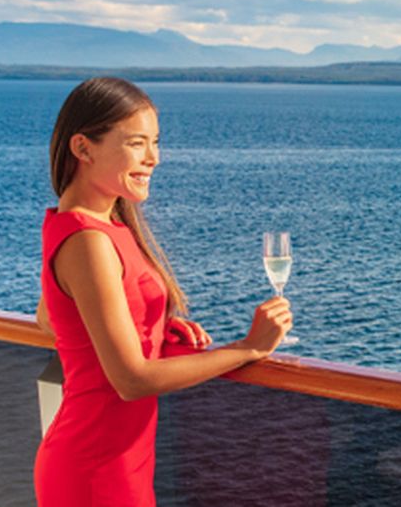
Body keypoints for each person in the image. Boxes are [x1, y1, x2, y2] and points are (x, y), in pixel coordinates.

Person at [32, 77, 293, 506]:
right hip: (95, 470)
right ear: (83, 148)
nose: (153, 158)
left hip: (112, 462)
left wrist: (150, 328)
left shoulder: (92, 225)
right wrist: (249, 348)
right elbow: (131, 380)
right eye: (137, 143)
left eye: (155, 142)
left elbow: (51, 316)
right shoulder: (88, 240)